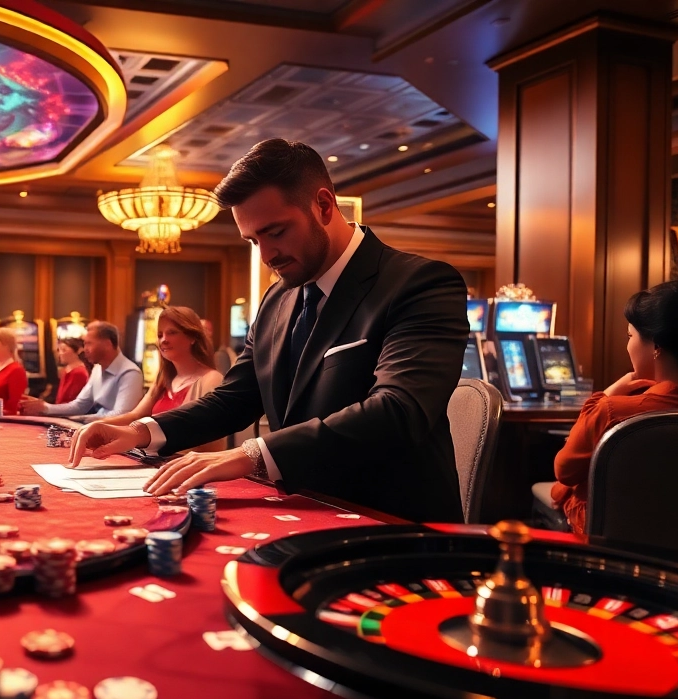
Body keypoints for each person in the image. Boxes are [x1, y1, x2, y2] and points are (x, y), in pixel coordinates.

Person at [67, 138, 469, 523]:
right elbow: (235, 399)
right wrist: (139, 431)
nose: (266, 255)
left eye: (275, 232)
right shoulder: (278, 298)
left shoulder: (419, 284)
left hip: (390, 524)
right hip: (301, 509)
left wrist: (253, 454)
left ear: (324, 205)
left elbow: (398, 411)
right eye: (252, 240)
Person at [548, 280, 678, 535]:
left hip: (615, 552)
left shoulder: (613, 412)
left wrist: (605, 396)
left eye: (630, 336)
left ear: (656, 346)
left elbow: (564, 471)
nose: (628, 345)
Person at [100, 306, 224, 428]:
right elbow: (135, 416)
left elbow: (213, 436)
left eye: (172, 333)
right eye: (160, 335)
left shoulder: (211, 379)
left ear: (192, 337)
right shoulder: (163, 379)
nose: (163, 340)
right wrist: (96, 425)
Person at [20, 321, 144, 423]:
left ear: (107, 344)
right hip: (96, 429)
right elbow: (80, 405)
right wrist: (45, 408)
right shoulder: (97, 368)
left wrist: (79, 419)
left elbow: (121, 416)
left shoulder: (130, 373)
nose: (84, 350)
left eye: (89, 344)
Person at [54, 337, 90, 404]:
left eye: (64, 350)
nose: (60, 353)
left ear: (77, 351)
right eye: (59, 350)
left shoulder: (79, 372)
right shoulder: (67, 370)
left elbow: (71, 400)